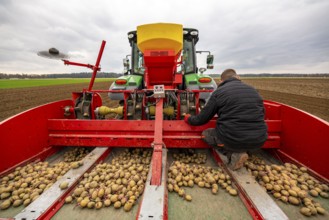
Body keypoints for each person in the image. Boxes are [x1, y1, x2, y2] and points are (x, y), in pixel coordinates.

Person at [184, 69, 268, 170]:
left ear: (221, 81)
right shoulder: (253, 90)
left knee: (206, 134)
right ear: (238, 77)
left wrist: (189, 118)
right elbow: (262, 114)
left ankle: (232, 153)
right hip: (259, 139)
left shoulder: (219, 92)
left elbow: (201, 119)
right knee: (243, 135)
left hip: (232, 138)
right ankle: (245, 149)